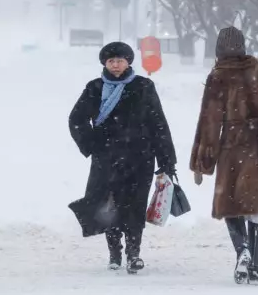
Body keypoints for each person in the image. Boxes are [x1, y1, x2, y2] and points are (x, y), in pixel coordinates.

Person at [190, 26, 258, 285]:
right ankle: (255, 268)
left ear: (218, 50)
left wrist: (202, 162)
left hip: (233, 148)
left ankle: (242, 251)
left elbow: (209, 122)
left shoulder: (218, 77)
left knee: (231, 205)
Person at [68, 41, 177, 274]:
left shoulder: (144, 86)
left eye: (120, 60)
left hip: (140, 158)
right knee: (110, 205)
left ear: (128, 62)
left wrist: (166, 159)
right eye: (111, 61)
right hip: (107, 158)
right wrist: (92, 143)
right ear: (104, 63)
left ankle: (134, 253)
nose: (116, 65)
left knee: (136, 205)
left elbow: (158, 123)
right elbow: (76, 119)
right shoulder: (95, 88)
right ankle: (115, 253)